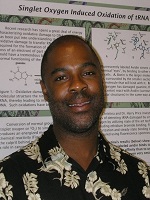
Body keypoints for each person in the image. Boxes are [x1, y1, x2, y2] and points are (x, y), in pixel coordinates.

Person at [0, 35, 150, 200]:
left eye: (88, 72)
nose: (78, 84)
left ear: (102, 80)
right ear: (44, 90)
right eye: (61, 77)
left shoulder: (140, 176)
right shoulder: (8, 181)